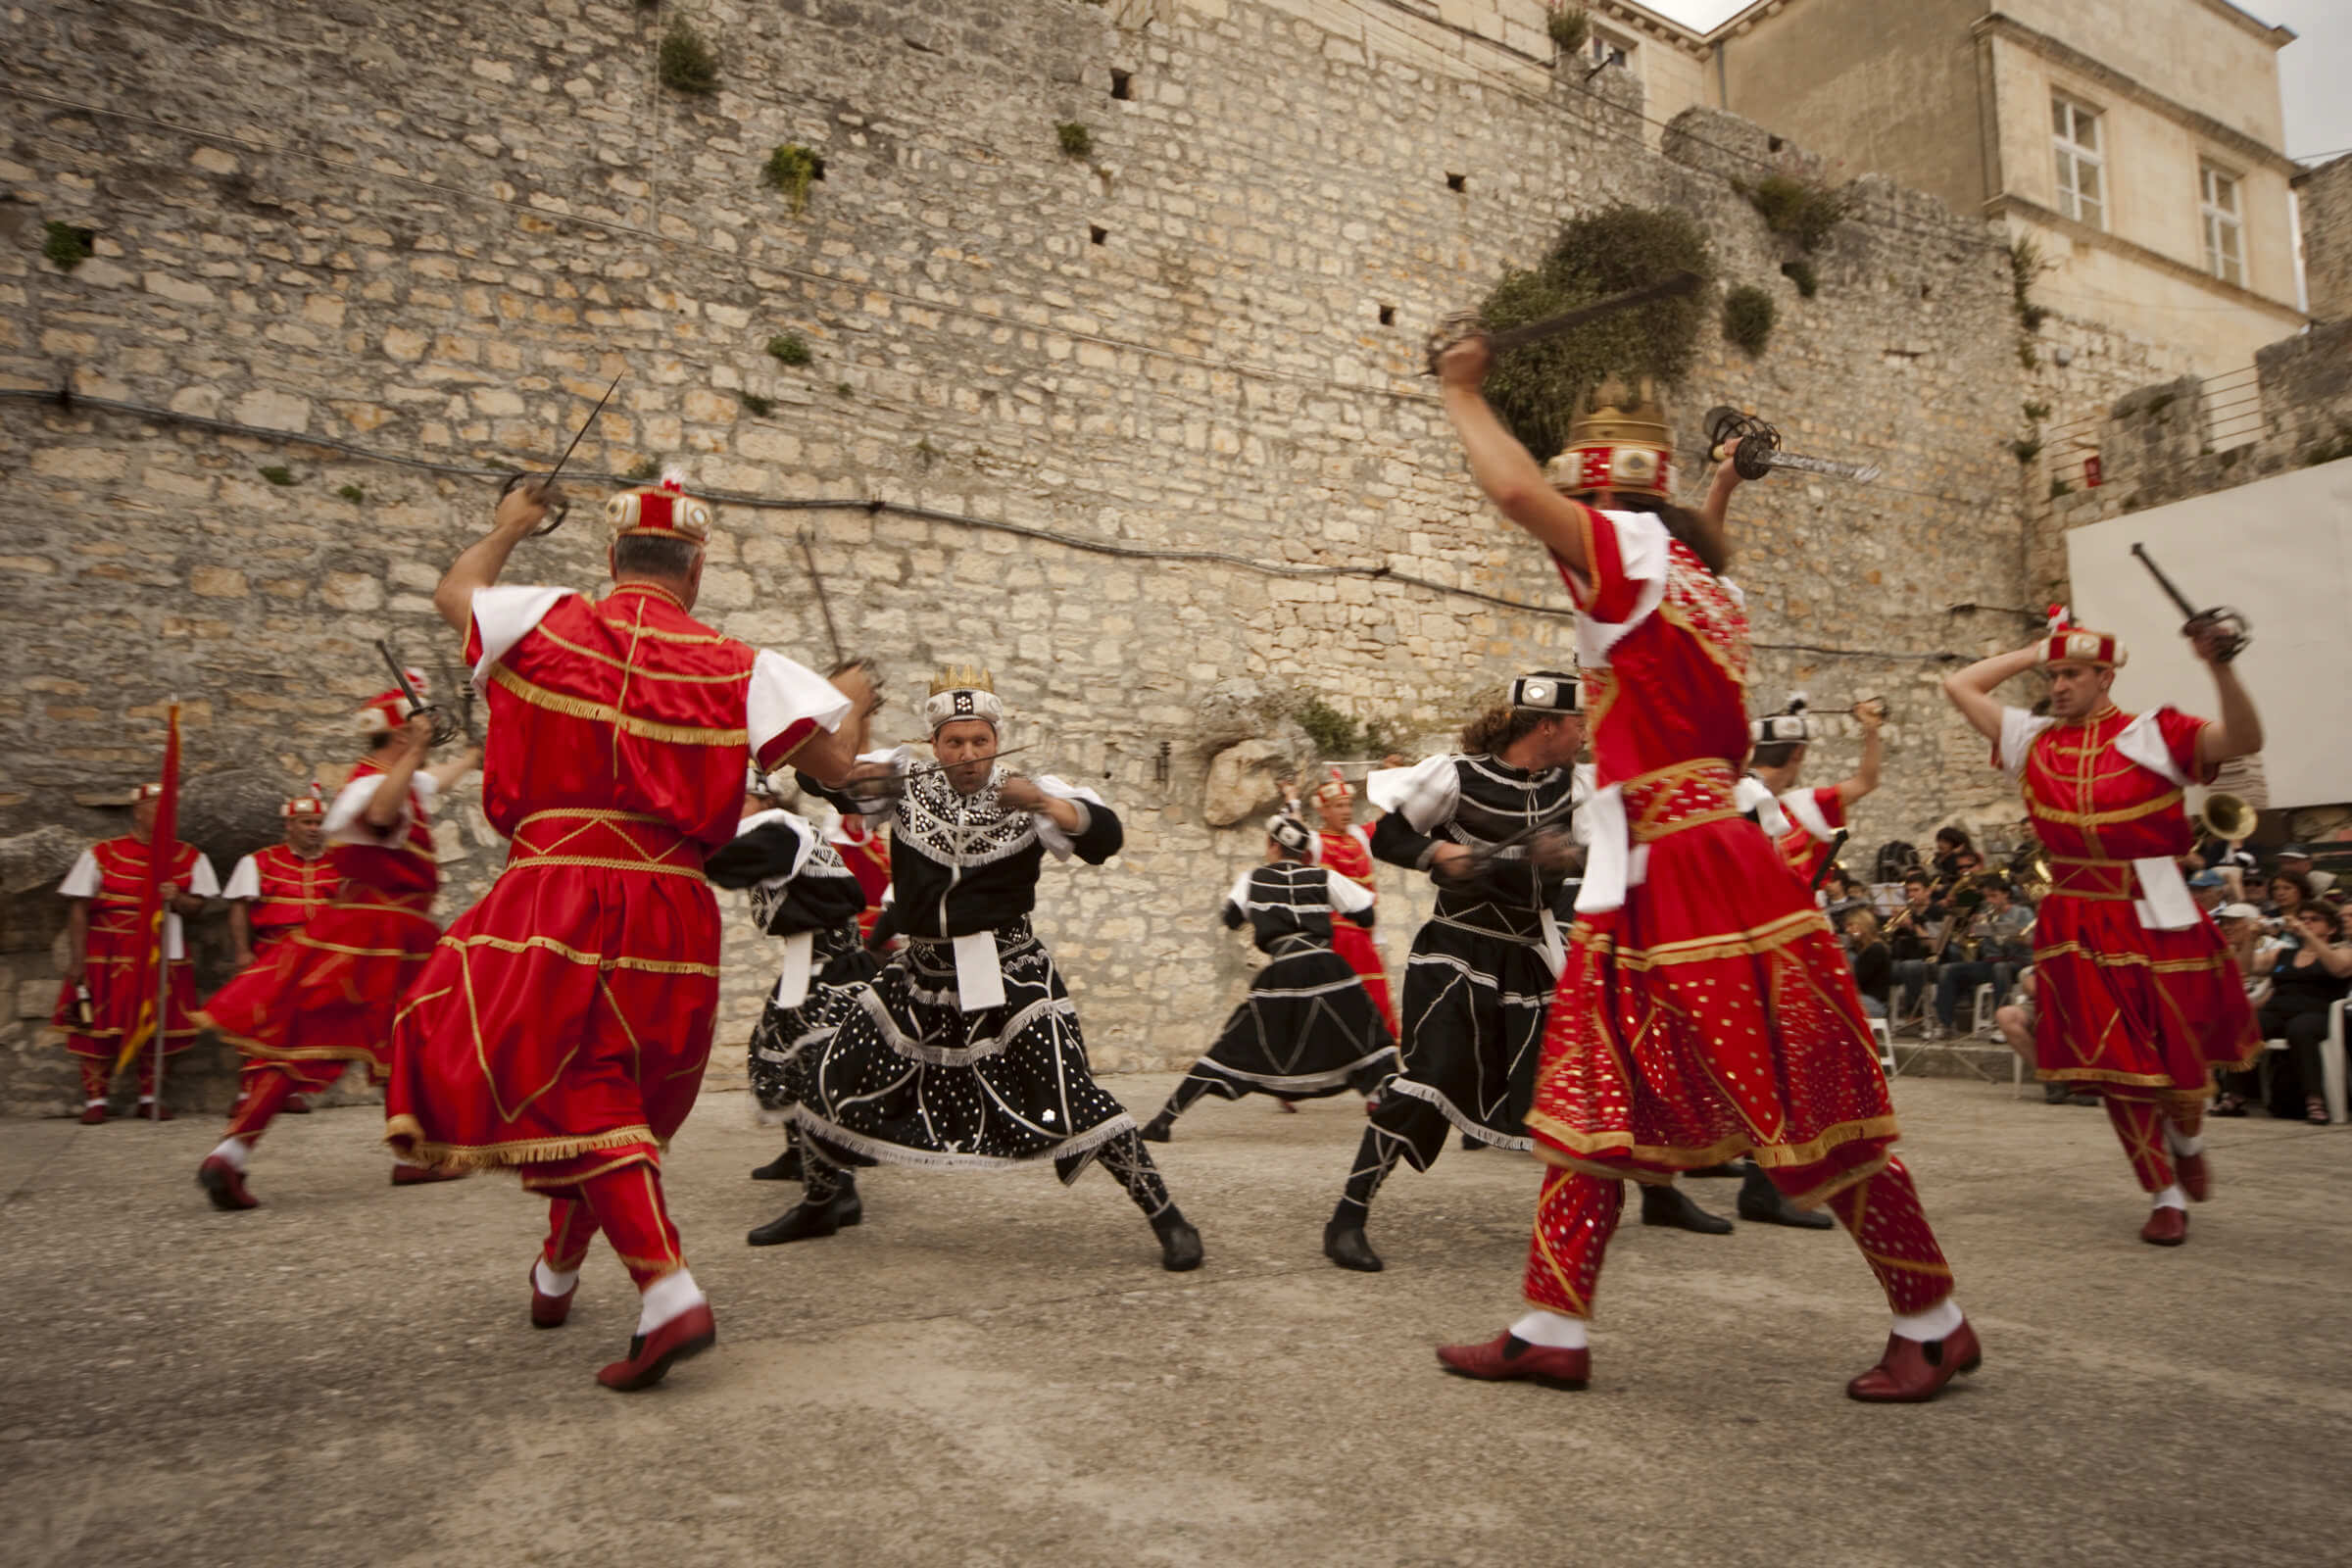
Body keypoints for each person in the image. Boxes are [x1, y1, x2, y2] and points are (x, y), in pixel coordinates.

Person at [1426, 357, 1973, 1401]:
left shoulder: (1624, 552)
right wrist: (1721, 481)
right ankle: (1550, 1324)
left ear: (1598, 496)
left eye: (1577, 512)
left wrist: (1459, 388)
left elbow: (1511, 493)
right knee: (1594, 1094)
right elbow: (1683, 544)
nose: (1566, 546)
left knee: (1801, 1095)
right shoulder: (1705, 580)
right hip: (1676, 863)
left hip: (1684, 873)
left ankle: (1933, 1318)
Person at [383, 473, 875, 1391]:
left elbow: (454, 593)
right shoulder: (745, 665)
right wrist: (845, 698)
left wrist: (510, 526)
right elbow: (839, 769)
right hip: (672, 904)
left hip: (558, 885)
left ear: (613, 560)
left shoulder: (544, 620)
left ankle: (667, 1290)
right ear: (695, 568)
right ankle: (559, 1268)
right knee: (617, 1093)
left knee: (564, 1077)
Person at [759, 666, 1204, 1273]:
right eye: (954, 742)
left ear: (998, 741)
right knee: (831, 1074)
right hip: (919, 977)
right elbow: (827, 777)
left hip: (1011, 975)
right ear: (934, 743)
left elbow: (1108, 838)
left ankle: (1166, 1215)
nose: (967, 755)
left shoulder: (1032, 792)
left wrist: (1048, 804)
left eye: (979, 742)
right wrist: (842, 710)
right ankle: (823, 1200)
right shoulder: (903, 782)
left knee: (1073, 1099)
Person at [1325, 672, 1729, 1270]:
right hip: (1457, 950)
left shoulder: (1576, 786)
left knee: (1597, 1073)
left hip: (1533, 952)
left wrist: (1568, 855)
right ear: (1547, 726)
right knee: (1433, 1076)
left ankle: (1659, 1194)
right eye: (1576, 725)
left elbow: (1600, 856)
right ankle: (1348, 1216)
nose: (1583, 735)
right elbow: (1388, 835)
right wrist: (1440, 853)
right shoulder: (1456, 775)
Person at [1941, 612, 2262, 1246]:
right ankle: (2163, 1192)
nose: (2057, 685)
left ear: (2105, 676)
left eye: (2071, 674)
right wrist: (2039, 646)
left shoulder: (2155, 733)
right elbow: (1960, 686)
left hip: (2158, 907)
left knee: (2181, 1055)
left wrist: (2219, 664)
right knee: (2118, 1067)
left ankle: (2188, 1139)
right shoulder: (2030, 738)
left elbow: (2245, 738)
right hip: (2078, 919)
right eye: (2053, 674)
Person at [196, 687, 481, 1207]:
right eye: (415, 731)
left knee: (343, 1042)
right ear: (402, 733)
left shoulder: (393, 778)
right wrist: (417, 751)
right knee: (401, 1041)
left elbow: (423, 784)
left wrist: (470, 759)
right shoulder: (368, 786)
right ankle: (412, 1158)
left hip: (370, 932)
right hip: (379, 938)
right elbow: (380, 811)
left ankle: (230, 1155)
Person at [1140, 812, 1397, 1139]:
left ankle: (1164, 1121)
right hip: (1329, 969)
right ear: (1303, 852)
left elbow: (1231, 918)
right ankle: (1398, 1113)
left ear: (1272, 845)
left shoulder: (1253, 879)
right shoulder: (1323, 877)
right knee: (1372, 1039)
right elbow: (1365, 914)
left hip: (1283, 972)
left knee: (1233, 1043)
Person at [703, 768, 878, 1186]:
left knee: (818, 1066)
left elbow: (725, 866)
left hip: (833, 968)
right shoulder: (773, 832)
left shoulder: (777, 831)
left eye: (738, 799)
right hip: (809, 962)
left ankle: (834, 1187)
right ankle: (799, 1153)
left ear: (765, 800)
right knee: (773, 1046)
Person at [52, 783, 218, 1122]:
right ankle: (96, 1100)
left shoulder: (189, 856)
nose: (164, 814)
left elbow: (199, 906)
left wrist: (179, 898)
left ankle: (149, 1095)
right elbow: (79, 906)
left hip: (162, 951)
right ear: (137, 810)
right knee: (97, 1024)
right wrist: (78, 959)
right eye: (156, 806)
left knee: (161, 1023)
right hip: (109, 950)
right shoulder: (102, 853)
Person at [1746, 694, 1885, 888]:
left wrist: (1871, 729)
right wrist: (1871, 729)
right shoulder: (1795, 807)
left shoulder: (1801, 805)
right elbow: (1866, 782)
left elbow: (1865, 783)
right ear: (1798, 752)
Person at [1304, 769, 1399, 1038]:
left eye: (1348, 805)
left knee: (1375, 999)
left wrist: (1392, 779)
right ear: (1324, 810)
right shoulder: (1315, 842)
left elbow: (1386, 822)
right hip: (1332, 936)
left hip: (1363, 936)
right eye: (1338, 806)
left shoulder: (1358, 837)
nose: (1346, 811)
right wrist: (1291, 800)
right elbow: (1290, 839)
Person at [2253, 903, 2352, 1124]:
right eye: (2303, 918)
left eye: (2314, 919)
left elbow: (2339, 969)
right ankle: (2234, 1096)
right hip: (2278, 1010)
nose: (2306, 922)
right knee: (2249, 1026)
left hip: (2318, 1013)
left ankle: (2314, 1100)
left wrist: (2308, 936)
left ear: (2331, 929)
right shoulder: (2283, 953)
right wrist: (2251, 938)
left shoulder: (2342, 950)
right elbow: (2247, 968)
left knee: (2301, 1029)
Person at [221, 793, 332, 970]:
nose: (314, 828)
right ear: (289, 825)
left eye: (318, 823)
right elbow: (239, 907)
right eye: (307, 822)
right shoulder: (259, 861)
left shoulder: (337, 864)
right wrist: (242, 951)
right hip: (273, 951)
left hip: (323, 955)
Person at [1930, 880, 2034, 1040]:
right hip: (1991, 962)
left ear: (2006, 894)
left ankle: (2001, 1025)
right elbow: (1972, 941)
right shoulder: (1985, 913)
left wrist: (2012, 935)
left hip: (2018, 963)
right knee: (1947, 970)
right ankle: (1945, 1025)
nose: (1990, 901)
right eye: (1987, 897)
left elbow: (2031, 940)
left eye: (1994, 896)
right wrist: (1975, 927)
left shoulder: (2023, 912)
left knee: (2001, 968)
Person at [1843, 907, 1891, 1018]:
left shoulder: (1876, 949)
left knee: (1839, 1004)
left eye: (1851, 925)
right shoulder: (1856, 949)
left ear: (1863, 926)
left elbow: (1856, 979)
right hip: (1861, 997)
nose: (1847, 930)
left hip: (1874, 1002)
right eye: (1847, 926)